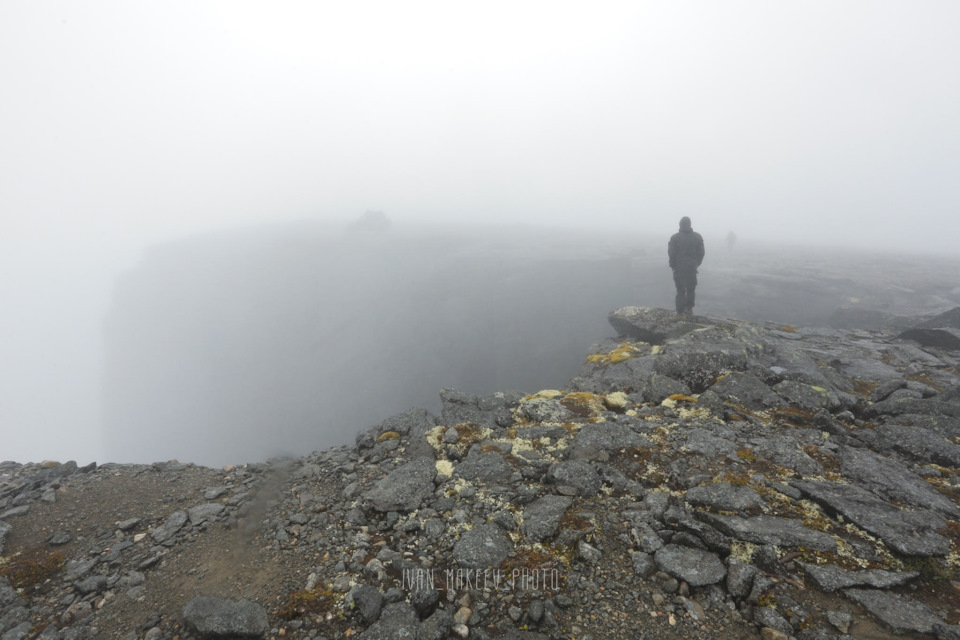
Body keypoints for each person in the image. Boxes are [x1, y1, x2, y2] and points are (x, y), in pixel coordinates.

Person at [668, 216, 705, 315]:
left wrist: (673, 266)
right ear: (690, 225)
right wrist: (696, 264)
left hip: (679, 268)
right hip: (691, 267)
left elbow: (671, 253)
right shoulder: (697, 237)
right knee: (691, 289)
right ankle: (689, 309)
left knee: (680, 290)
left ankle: (680, 312)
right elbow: (701, 253)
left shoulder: (675, 237)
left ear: (680, 225)